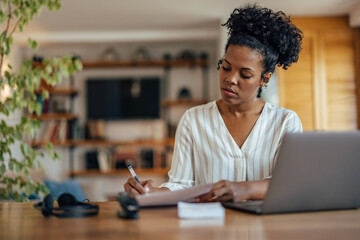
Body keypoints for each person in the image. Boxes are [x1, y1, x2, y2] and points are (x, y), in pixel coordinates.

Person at [124, 4, 303, 202]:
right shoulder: (193, 120)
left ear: (265, 79)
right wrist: (154, 192)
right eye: (226, 67)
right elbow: (181, 184)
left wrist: (247, 189)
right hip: (210, 228)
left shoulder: (285, 122)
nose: (231, 79)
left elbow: (291, 183)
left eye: (245, 74)